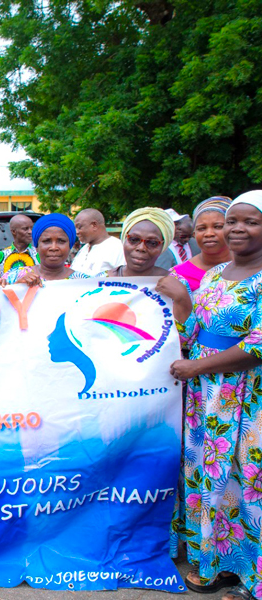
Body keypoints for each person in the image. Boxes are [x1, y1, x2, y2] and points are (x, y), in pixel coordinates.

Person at [159, 191, 262, 600]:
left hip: (245, 395)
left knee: (245, 477)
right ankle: (219, 564)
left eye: (249, 221)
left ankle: (252, 575)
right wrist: (181, 302)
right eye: (231, 221)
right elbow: (193, 332)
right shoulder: (218, 275)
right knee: (210, 475)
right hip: (206, 397)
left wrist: (198, 366)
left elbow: (258, 345)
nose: (236, 229)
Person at [1, 214, 90, 284]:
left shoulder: (84, 282)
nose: (54, 247)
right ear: (36, 247)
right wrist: (17, 288)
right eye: (47, 241)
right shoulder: (14, 276)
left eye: (61, 241)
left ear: (69, 246)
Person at [170, 197, 233, 292]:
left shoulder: (252, 268)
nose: (209, 233)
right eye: (202, 228)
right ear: (194, 234)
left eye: (218, 227)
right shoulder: (178, 277)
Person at [104, 208, 174, 278]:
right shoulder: (100, 281)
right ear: (124, 239)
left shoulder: (175, 283)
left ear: (162, 246)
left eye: (152, 243)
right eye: (134, 239)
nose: (141, 248)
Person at [0, 214, 40, 285]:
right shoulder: (0, 256)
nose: (30, 232)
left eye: (31, 228)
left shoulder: (39, 254)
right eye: (25, 229)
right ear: (13, 231)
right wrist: (0, 284)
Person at [71, 208, 125, 275]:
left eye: (79, 227)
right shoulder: (83, 250)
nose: (76, 232)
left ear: (94, 225)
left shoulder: (118, 248)